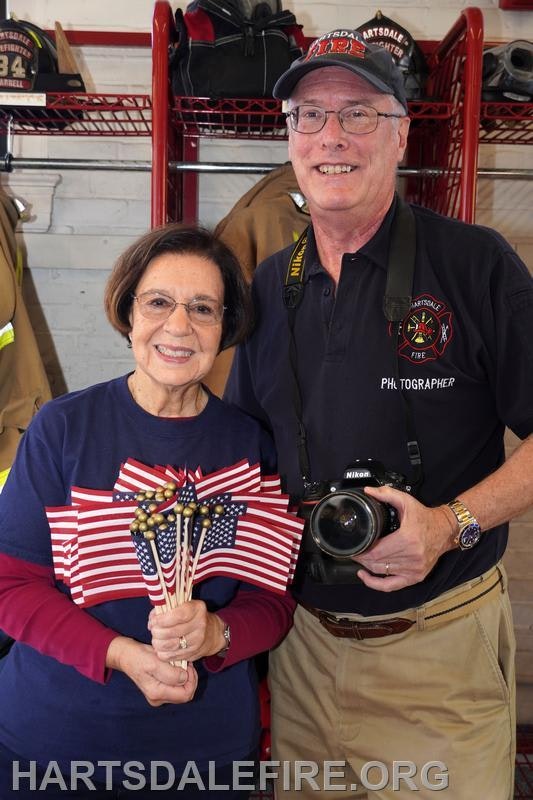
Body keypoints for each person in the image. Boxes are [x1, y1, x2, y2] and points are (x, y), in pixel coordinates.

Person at [224, 28, 533, 800]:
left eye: (358, 113)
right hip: (299, 652)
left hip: (436, 654)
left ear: (399, 135)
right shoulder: (269, 283)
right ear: (289, 139)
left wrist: (449, 523)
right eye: (308, 116)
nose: (331, 136)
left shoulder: (475, 264)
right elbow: (242, 454)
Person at [0, 224, 296, 799]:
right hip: (52, 746)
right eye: (158, 302)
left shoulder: (249, 443)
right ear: (128, 312)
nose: (178, 326)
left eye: (203, 308)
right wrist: (119, 654)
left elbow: (274, 601)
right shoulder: (62, 428)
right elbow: (10, 586)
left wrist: (217, 633)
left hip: (204, 756)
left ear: (226, 325)